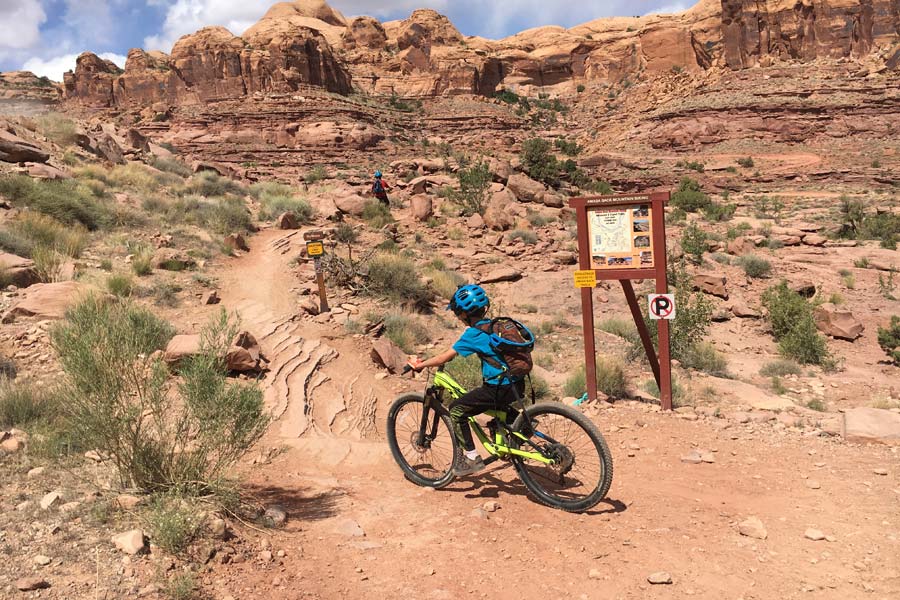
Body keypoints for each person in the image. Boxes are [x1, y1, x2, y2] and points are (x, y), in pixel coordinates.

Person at [408, 284, 526, 477]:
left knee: (456, 409)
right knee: (491, 405)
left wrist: (421, 365)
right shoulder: (495, 326)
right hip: (517, 384)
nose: (458, 317)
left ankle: (471, 458)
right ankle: (522, 425)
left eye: (457, 313)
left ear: (464, 314)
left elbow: (444, 358)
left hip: (498, 387)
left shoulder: (473, 333)